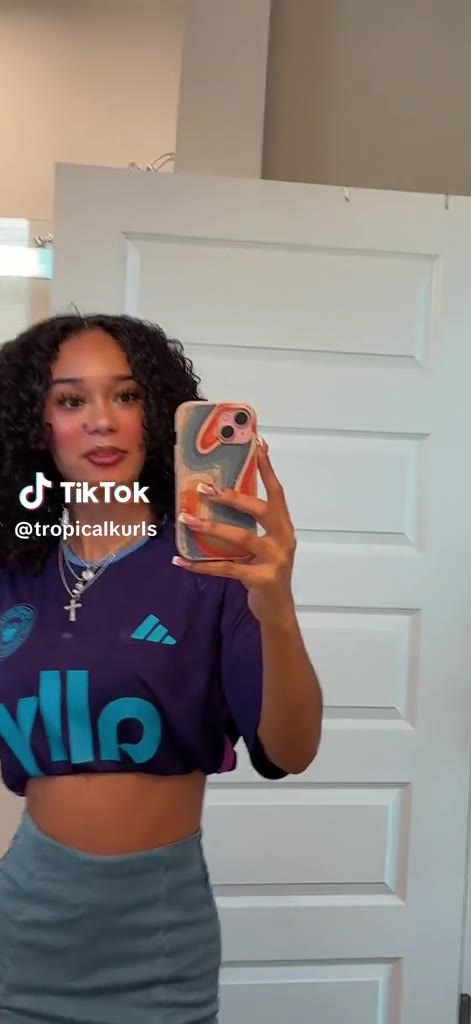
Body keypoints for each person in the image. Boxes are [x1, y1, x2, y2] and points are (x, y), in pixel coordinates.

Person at [0, 313, 323, 1024]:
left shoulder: (214, 568)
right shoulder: (15, 573)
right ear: (37, 425)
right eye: (71, 400)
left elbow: (290, 751)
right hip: (22, 933)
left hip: (161, 945)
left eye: (126, 395)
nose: (101, 420)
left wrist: (275, 603)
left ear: (157, 416)